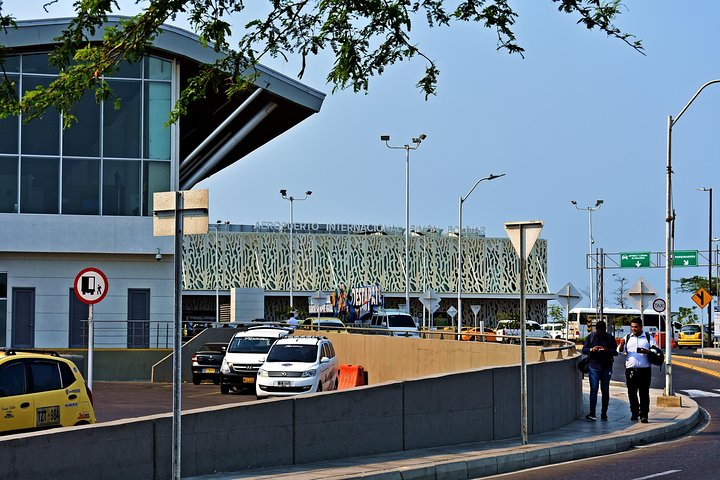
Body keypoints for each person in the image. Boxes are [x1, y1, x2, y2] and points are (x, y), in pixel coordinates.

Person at [619, 318, 657, 423]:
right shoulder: (627, 338)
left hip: (645, 370)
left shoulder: (648, 338)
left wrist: (648, 351)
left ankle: (644, 415)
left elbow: (655, 350)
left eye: (636, 327)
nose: (633, 329)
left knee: (644, 393)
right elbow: (620, 351)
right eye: (632, 327)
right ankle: (634, 412)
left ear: (641, 327)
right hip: (631, 370)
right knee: (632, 393)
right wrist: (622, 344)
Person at [581, 320, 617, 421]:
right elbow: (584, 349)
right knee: (594, 389)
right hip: (593, 366)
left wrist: (606, 350)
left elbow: (615, 352)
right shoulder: (591, 337)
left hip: (606, 366)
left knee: (605, 390)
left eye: (602, 331)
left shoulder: (609, 338)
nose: (600, 333)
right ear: (596, 329)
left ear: (605, 330)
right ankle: (592, 413)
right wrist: (591, 349)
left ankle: (604, 413)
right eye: (598, 331)